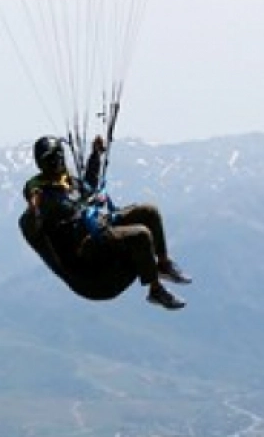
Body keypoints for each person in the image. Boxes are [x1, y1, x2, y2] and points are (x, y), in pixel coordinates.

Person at [20, 133, 190, 310]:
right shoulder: (42, 197)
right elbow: (33, 226)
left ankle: (163, 264)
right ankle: (155, 290)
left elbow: (89, 186)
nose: (58, 162)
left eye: (58, 157)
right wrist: (34, 210)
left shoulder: (67, 182)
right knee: (141, 234)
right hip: (88, 259)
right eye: (53, 159)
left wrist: (95, 155)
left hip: (99, 233)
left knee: (149, 212)